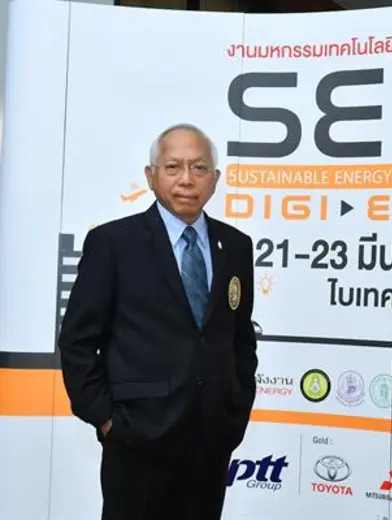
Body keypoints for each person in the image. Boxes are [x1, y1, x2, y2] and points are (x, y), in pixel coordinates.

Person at [58, 123, 258, 520]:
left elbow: (240, 339)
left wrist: (234, 412)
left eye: (199, 168)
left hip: (211, 441)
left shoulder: (236, 246)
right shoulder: (114, 243)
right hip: (136, 442)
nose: (187, 179)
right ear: (151, 176)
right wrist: (107, 420)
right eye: (173, 167)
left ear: (215, 179)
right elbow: (77, 341)